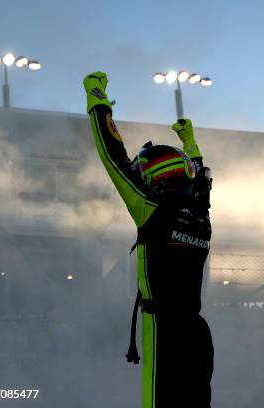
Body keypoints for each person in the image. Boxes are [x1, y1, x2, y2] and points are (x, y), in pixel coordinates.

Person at [83, 71, 214, 407]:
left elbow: (113, 158)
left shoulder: (152, 211)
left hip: (163, 331)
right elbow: (201, 178)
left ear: (154, 179)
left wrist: (97, 98)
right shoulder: (201, 217)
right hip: (197, 333)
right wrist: (190, 143)